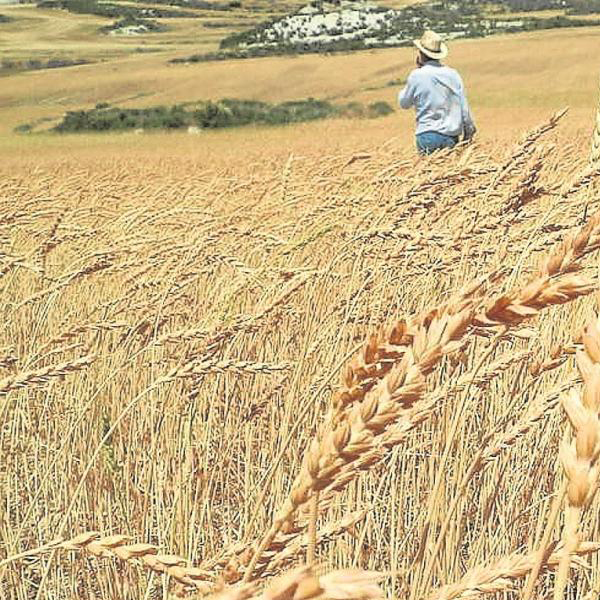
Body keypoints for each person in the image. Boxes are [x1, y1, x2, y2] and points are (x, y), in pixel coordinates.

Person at [398, 30, 476, 155]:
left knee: (428, 173)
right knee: (450, 173)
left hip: (427, 134)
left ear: (421, 54)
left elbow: (404, 103)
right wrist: (469, 132)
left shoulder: (417, 75)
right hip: (451, 136)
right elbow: (464, 108)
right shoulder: (453, 74)